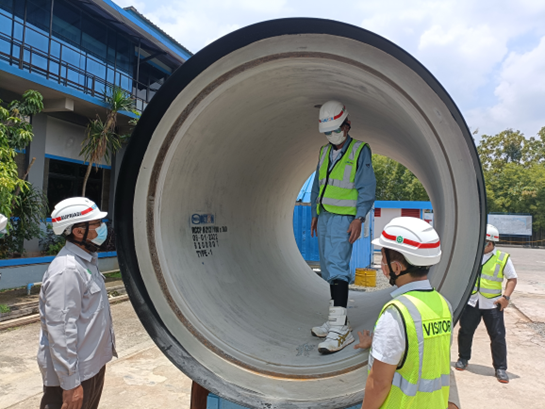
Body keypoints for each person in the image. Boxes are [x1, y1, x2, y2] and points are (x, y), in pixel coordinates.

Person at [354, 217, 453, 408]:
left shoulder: (396, 313)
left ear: (396, 268)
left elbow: (379, 384)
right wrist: (377, 342)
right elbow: (421, 349)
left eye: (383, 259)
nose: (382, 265)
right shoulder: (443, 305)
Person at [310, 100, 376, 354]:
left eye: (336, 129)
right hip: (325, 216)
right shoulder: (324, 152)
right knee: (328, 268)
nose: (332, 135)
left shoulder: (359, 151)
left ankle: (340, 331)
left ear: (347, 125)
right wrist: (315, 212)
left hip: (344, 218)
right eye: (327, 132)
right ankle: (337, 320)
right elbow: (317, 184)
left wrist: (359, 218)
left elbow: (367, 187)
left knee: (338, 269)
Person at [38, 197, 116, 409]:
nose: (102, 228)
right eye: (97, 224)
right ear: (79, 232)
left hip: (91, 368)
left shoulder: (86, 262)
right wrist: (71, 384)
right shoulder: (67, 270)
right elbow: (61, 330)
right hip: (75, 376)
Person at [455, 223, 517, 383]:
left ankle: (500, 368)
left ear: (490, 243)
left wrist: (506, 298)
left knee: (498, 336)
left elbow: (512, 278)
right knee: (465, 331)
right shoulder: (472, 255)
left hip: (492, 304)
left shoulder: (502, 258)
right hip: (472, 302)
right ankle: (463, 358)